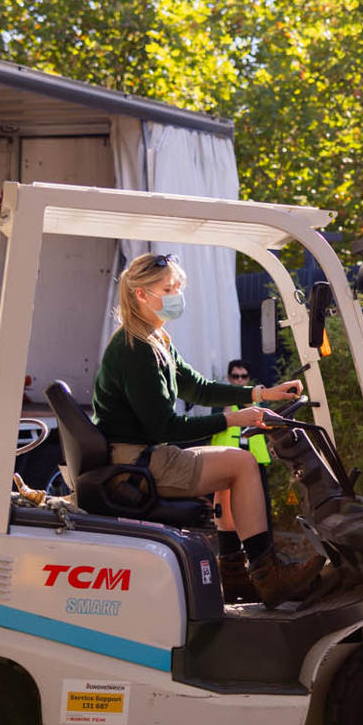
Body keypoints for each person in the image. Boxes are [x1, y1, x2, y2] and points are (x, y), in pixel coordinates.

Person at [92, 253, 323, 606]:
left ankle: (234, 575)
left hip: (147, 455)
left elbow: (198, 389)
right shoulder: (135, 350)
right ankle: (268, 575)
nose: (176, 295)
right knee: (242, 465)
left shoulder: (156, 340)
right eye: (168, 288)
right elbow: (165, 425)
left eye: (178, 287)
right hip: (137, 465)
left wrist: (261, 393)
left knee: (230, 463)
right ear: (141, 294)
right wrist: (234, 418)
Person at [210, 360, 273, 466]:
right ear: (229, 377)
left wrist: (250, 401)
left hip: (255, 456)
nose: (239, 380)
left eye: (243, 376)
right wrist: (229, 398)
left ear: (248, 378)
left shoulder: (257, 400)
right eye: (235, 376)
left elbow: (267, 424)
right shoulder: (220, 400)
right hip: (226, 457)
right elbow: (216, 426)